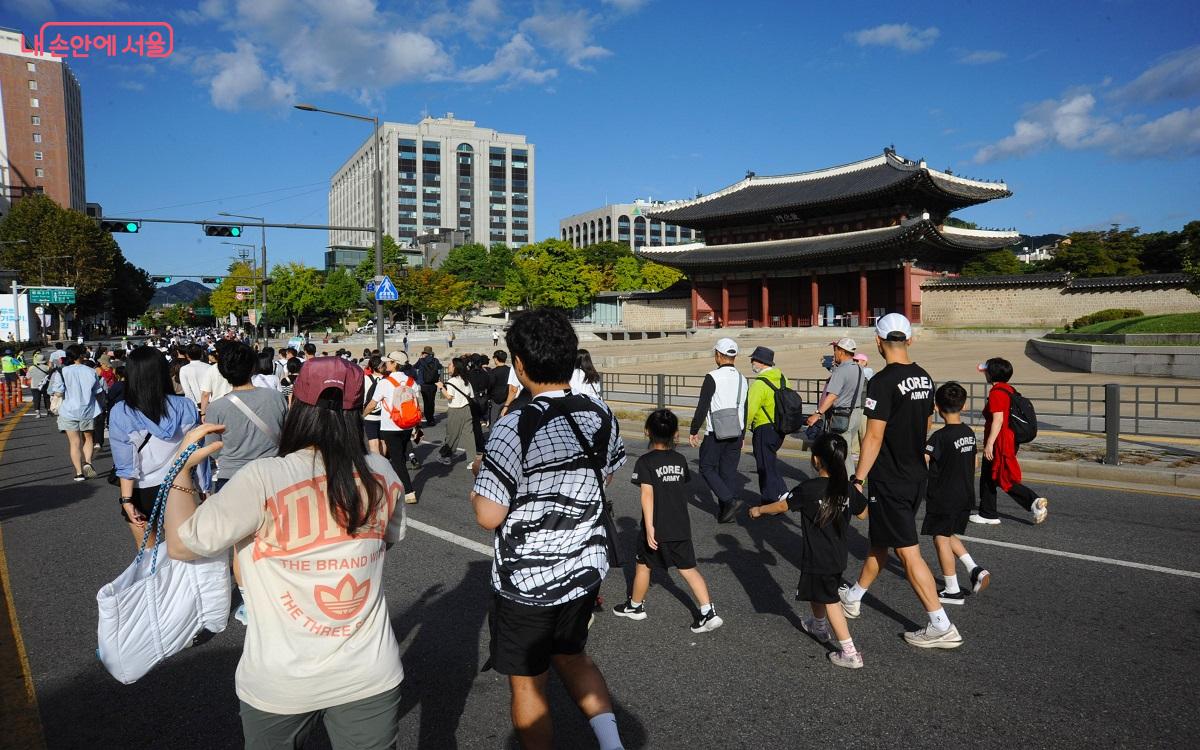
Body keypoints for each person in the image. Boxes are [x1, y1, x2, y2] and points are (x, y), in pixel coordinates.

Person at [161, 357, 407, 750]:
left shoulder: (263, 478)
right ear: (359, 410)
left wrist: (180, 470)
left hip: (281, 678)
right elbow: (383, 544)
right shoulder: (381, 471)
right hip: (369, 670)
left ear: (293, 406)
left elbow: (181, 544)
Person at [471, 308, 626, 750]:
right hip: (584, 568)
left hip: (528, 582)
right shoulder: (600, 413)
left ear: (519, 364)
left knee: (528, 683)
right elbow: (604, 476)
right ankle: (612, 745)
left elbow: (489, 516)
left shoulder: (513, 425)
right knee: (573, 656)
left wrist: (476, 490)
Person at [838, 314, 963, 649]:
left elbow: (874, 437)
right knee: (881, 540)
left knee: (909, 553)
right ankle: (854, 596)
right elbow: (924, 424)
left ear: (878, 342)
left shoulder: (880, 382)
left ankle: (940, 624)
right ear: (910, 340)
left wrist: (858, 479)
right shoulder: (924, 377)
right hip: (915, 474)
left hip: (890, 478)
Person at [749, 432, 868, 668]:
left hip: (818, 556)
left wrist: (759, 510)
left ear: (816, 460)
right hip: (837, 555)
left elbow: (782, 506)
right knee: (819, 592)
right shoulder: (846, 489)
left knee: (830, 599)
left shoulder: (809, 488)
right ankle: (818, 626)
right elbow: (863, 514)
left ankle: (850, 652)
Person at [614, 409, 723, 633]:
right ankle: (708, 611)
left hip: (656, 525)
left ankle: (635, 606)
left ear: (647, 432)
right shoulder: (680, 460)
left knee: (643, 566)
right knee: (688, 568)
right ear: (675, 434)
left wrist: (650, 527)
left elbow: (647, 495)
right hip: (680, 524)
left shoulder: (645, 462)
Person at [108, 346, 206, 547]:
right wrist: (204, 489)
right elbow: (197, 452)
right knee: (183, 554)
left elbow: (126, 463)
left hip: (142, 489)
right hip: (181, 486)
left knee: (147, 556)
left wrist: (126, 500)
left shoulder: (122, 411)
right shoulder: (186, 406)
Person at [925, 382, 992, 604]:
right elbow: (974, 463)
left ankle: (952, 589)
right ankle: (974, 569)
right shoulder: (969, 432)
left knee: (940, 538)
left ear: (936, 407)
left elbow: (923, 461)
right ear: (964, 406)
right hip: (965, 494)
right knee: (949, 533)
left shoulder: (939, 437)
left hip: (944, 495)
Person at [970, 357, 1049, 526]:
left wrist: (989, 444)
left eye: (986, 371)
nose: (984, 374)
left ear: (991, 374)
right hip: (1009, 439)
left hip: (1000, 442)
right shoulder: (1009, 389)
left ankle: (1034, 502)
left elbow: (998, 420)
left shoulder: (997, 393)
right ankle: (988, 513)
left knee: (1000, 477)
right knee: (990, 477)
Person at [688, 337, 748, 524]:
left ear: (718, 355)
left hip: (716, 431)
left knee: (706, 467)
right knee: (728, 472)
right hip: (737, 431)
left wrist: (694, 429)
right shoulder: (742, 378)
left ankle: (729, 501)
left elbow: (703, 405)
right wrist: (744, 434)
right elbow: (745, 408)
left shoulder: (712, 377)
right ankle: (725, 513)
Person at [364, 351, 420, 504]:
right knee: (399, 457)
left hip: (390, 426)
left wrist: (362, 415)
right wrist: (417, 426)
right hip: (407, 425)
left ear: (395, 364)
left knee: (397, 460)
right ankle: (397, 485)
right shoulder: (411, 382)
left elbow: (372, 404)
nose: (386, 363)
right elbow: (416, 404)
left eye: (388, 361)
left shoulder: (384, 383)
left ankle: (408, 491)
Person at [805, 337, 866, 471]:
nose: (834, 353)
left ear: (842, 351)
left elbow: (832, 396)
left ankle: (848, 485)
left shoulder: (841, 370)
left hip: (841, 416)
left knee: (842, 454)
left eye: (836, 349)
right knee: (846, 450)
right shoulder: (859, 369)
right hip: (855, 413)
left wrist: (817, 414)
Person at [47, 344, 104, 481]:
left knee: (74, 443)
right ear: (82, 356)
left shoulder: (62, 372)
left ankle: (79, 473)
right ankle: (88, 462)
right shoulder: (91, 371)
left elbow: (58, 392)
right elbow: (98, 392)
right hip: (88, 410)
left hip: (68, 411)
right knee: (88, 438)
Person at [745, 345, 787, 505]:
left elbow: (749, 410)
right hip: (780, 427)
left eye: (753, 359)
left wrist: (743, 430)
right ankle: (771, 495)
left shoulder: (759, 384)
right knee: (769, 461)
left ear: (760, 362)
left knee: (764, 464)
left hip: (764, 427)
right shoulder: (783, 378)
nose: (751, 362)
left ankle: (776, 495)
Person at [438, 357, 475, 466]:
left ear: (455, 367)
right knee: (469, 435)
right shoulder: (466, 380)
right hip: (467, 409)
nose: (448, 366)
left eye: (450, 364)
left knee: (452, 435)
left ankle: (446, 456)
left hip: (455, 410)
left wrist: (441, 387)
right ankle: (472, 460)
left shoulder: (451, 381)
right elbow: (471, 395)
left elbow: (449, 397)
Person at [199, 341, 234, 417]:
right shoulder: (236, 367)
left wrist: (203, 413)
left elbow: (205, 394)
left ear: (217, 353)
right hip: (236, 405)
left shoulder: (211, 369)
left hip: (217, 406)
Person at [362, 354, 385, 455]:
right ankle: (384, 462)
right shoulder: (387, 379)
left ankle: (377, 465)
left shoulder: (365, 379)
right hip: (385, 415)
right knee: (383, 441)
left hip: (370, 414)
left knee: (373, 442)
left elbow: (362, 396)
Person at [416, 345, 441, 427]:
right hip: (433, 384)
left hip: (424, 384)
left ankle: (428, 418)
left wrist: (420, 358)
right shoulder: (436, 360)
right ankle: (431, 418)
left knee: (426, 401)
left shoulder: (421, 360)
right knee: (432, 401)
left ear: (424, 353)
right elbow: (440, 368)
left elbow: (414, 367)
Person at [487, 350, 512, 428]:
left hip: (495, 400)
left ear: (496, 359)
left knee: (493, 422)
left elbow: (490, 385)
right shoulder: (510, 370)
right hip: (508, 399)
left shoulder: (493, 371)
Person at [28, 352, 52, 418]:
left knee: (36, 399)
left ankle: (38, 413)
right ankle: (48, 410)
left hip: (34, 386)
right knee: (46, 398)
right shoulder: (47, 368)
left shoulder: (31, 368)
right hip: (45, 385)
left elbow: (27, 377)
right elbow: (50, 375)